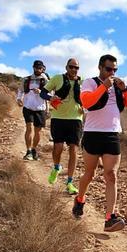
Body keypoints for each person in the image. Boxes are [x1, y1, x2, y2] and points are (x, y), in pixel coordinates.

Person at [72, 54, 127, 232]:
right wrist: (104, 87)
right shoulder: (89, 83)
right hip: (93, 134)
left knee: (111, 175)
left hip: (112, 134)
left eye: (115, 70)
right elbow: (86, 102)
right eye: (109, 69)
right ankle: (80, 199)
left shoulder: (117, 87)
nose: (112, 73)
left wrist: (125, 90)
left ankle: (110, 217)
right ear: (100, 67)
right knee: (90, 174)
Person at [40, 58, 83, 194]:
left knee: (73, 150)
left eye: (76, 68)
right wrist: (50, 98)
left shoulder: (82, 82)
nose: (74, 70)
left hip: (76, 119)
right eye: (71, 67)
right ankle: (57, 167)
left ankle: (70, 183)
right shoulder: (57, 78)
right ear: (66, 67)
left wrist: (85, 107)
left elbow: (90, 97)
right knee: (58, 148)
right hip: (58, 118)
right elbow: (43, 92)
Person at [16, 59, 50, 160]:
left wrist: (41, 91)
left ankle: (34, 149)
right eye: (36, 68)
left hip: (40, 108)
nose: (38, 70)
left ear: (42, 68)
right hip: (28, 107)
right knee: (29, 127)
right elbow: (21, 90)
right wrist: (19, 98)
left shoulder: (46, 81)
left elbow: (51, 94)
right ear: (33, 67)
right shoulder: (26, 79)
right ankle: (28, 151)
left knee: (38, 131)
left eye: (40, 68)